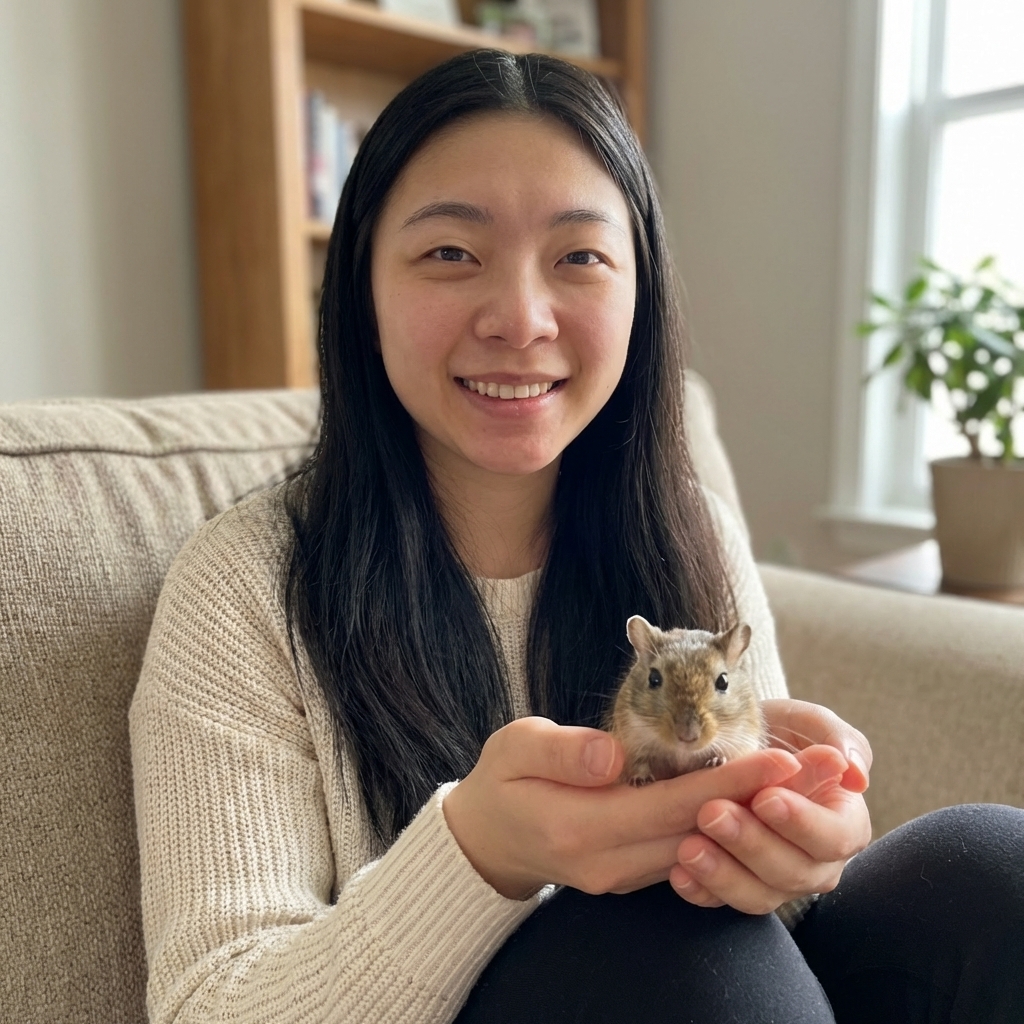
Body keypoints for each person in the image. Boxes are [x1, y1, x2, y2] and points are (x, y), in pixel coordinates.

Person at [129, 50, 1024, 1024]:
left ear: (640, 293)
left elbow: (780, 927)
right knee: (654, 944)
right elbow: (209, 1007)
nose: (520, 318)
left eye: (579, 257)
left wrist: (799, 845)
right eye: (450, 254)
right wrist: (480, 855)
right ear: (359, 288)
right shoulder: (244, 586)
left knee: (984, 872)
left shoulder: (692, 529)